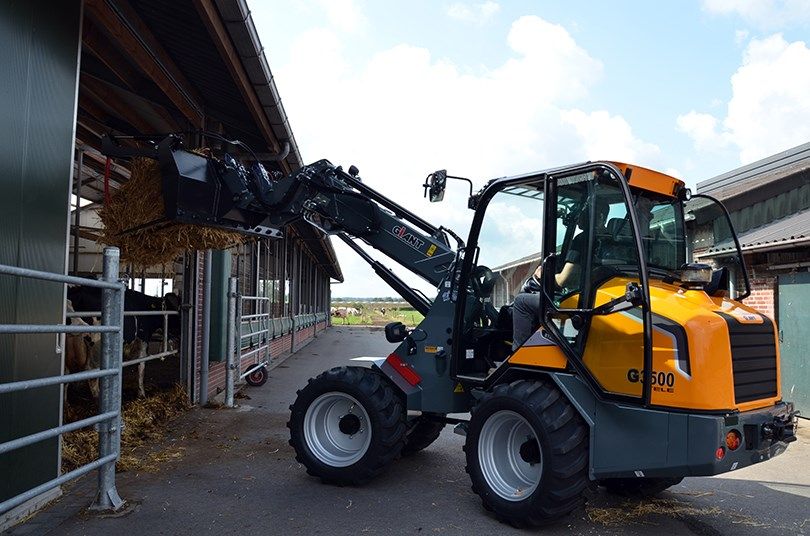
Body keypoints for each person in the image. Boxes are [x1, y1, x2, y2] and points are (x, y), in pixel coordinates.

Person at [511, 200, 610, 350]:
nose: (580, 216)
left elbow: (564, 280)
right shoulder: (609, 239)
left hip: (580, 303)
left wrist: (542, 275)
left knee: (521, 302)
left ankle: (519, 354)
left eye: (584, 211)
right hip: (596, 299)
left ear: (597, 215)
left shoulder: (584, 239)